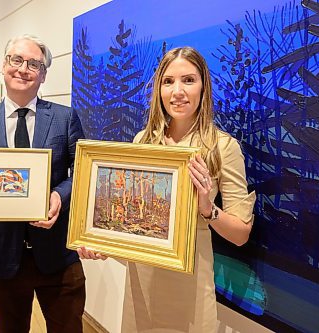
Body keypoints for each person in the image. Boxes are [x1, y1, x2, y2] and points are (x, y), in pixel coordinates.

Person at [78, 46, 256, 332]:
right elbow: (129, 222)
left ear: (203, 86)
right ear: (159, 89)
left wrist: (207, 209)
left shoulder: (222, 147)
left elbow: (240, 234)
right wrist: (104, 245)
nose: (178, 92)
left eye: (188, 80)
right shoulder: (143, 141)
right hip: (142, 283)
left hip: (191, 286)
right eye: (168, 81)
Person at [0, 34, 86, 333]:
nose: (24, 68)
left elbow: (81, 171)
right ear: (4, 65)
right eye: (17, 60)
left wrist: (59, 195)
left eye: (34, 64)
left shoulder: (65, 118)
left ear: (44, 74)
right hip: (1, 256)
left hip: (58, 254)